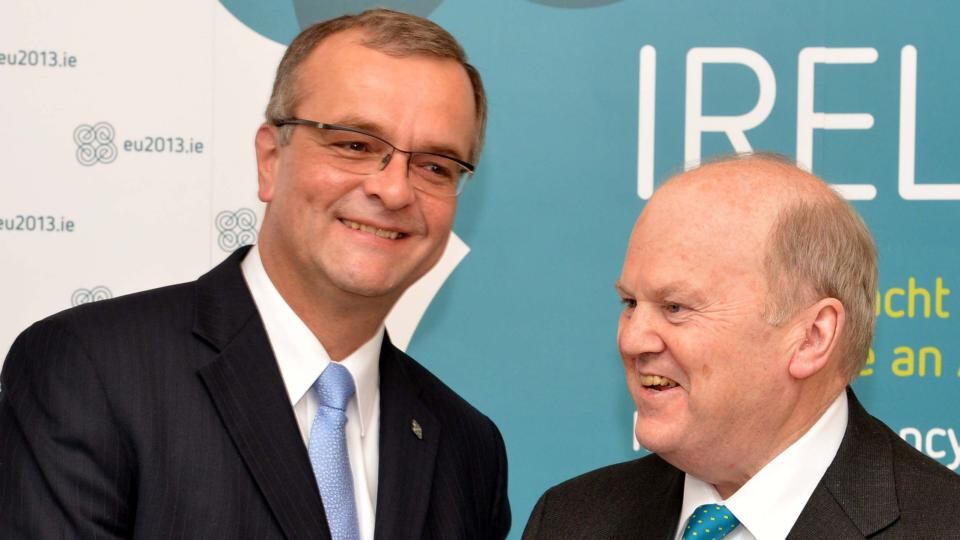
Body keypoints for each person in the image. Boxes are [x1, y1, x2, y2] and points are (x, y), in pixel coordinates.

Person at [0, 9, 510, 539]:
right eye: (355, 144)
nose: (395, 190)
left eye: (435, 166)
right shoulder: (92, 372)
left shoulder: (467, 448)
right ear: (270, 159)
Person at [522, 154, 960, 539]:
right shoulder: (570, 519)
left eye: (676, 307)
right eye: (630, 303)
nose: (632, 338)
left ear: (812, 337)